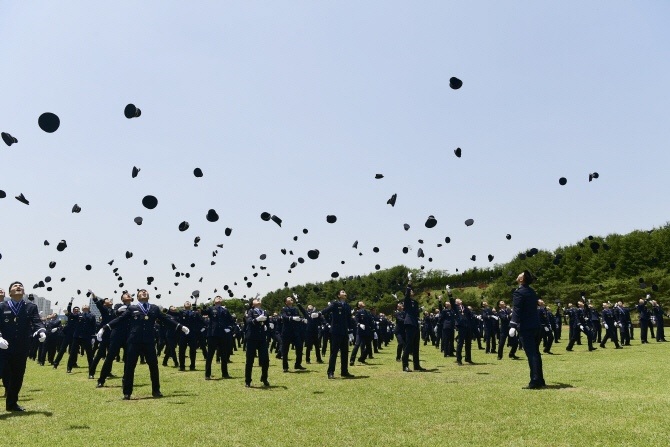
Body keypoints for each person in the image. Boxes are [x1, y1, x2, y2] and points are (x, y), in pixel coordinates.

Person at [97, 289, 189, 399]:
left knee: (154, 367)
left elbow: (165, 319)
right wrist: (104, 328)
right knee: (130, 367)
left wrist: (180, 327)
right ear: (137, 297)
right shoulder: (132, 308)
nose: (144, 292)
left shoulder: (154, 308)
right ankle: (127, 392)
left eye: (146, 292)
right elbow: (119, 319)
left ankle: (156, 390)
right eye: (141, 292)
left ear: (148, 296)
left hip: (149, 341)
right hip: (133, 341)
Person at [0, 281, 46, 411]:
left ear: (24, 292)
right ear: (10, 292)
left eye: (21, 286)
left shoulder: (30, 307)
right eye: (15, 286)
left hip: (21, 347)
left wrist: (42, 331)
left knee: (17, 375)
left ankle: (12, 404)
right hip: (2, 347)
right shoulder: (2, 306)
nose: (18, 287)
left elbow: (37, 322)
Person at [509, 271, 545, 389]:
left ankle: (535, 380)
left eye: (520, 274)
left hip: (526, 327)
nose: (518, 275)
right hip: (536, 325)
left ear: (521, 279)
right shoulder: (531, 291)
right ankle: (540, 379)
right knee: (536, 353)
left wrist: (513, 325)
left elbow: (517, 309)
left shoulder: (519, 292)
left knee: (531, 354)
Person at [319, 290, 354, 379]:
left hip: (344, 332)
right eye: (342, 292)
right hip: (335, 331)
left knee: (345, 353)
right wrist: (318, 313)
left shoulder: (348, 306)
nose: (345, 293)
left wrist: (350, 332)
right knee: (334, 353)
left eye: (345, 292)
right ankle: (330, 372)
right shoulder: (335, 304)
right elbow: (326, 310)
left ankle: (344, 371)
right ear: (338, 295)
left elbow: (349, 320)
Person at [201, 296, 235, 379]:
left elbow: (231, 321)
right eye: (217, 297)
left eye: (220, 298)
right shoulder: (211, 309)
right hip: (212, 334)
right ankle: (207, 374)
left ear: (222, 301)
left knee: (224, 355)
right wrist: (204, 305)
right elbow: (203, 312)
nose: (219, 298)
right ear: (214, 301)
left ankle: (225, 374)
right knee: (210, 355)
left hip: (223, 334)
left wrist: (229, 328)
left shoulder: (225, 310)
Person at [244, 299, 270, 387]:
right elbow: (248, 322)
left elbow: (267, 322)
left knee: (265, 360)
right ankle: (248, 380)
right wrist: (257, 319)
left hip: (262, 337)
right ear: (252, 304)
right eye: (256, 300)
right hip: (252, 337)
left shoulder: (264, 311)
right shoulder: (250, 311)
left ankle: (264, 378)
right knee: (250, 360)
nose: (258, 301)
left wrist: (268, 325)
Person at [401, 275, 424, 372]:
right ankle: (405, 365)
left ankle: (416, 365)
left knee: (416, 346)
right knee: (408, 345)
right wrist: (409, 281)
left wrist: (419, 313)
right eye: (410, 291)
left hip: (415, 324)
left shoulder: (415, 302)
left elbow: (416, 312)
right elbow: (406, 293)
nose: (412, 292)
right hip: (409, 324)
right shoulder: (407, 301)